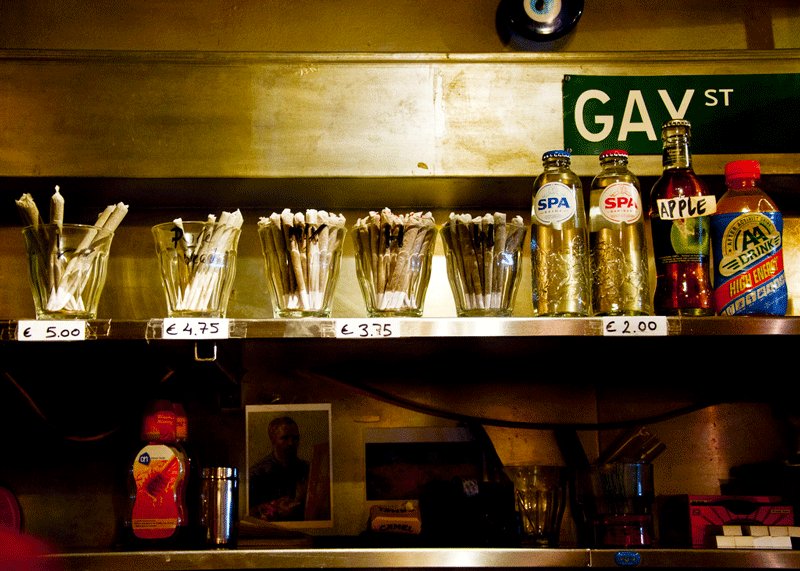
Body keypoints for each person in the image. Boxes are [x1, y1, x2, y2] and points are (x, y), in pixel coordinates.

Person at [249, 416, 310, 521]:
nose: (291, 443)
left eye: (295, 438)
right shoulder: (257, 474)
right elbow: (249, 513)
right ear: (273, 439)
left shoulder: (308, 469)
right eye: (285, 438)